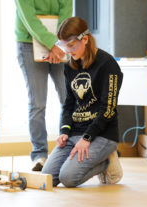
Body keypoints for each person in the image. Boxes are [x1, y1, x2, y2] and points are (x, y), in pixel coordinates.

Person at [42, 17, 123, 187]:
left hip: (101, 135)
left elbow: (108, 109)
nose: (68, 51)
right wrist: (64, 130)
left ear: (85, 39)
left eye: (71, 46)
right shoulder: (69, 66)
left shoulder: (108, 65)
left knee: (68, 178)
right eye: (64, 46)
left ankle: (106, 162)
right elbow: (68, 103)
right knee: (48, 176)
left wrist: (87, 137)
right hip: (75, 133)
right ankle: (94, 157)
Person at [15, 0, 73, 171]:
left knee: (68, 99)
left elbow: (66, 13)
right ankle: (39, 155)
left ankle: (70, 150)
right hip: (28, 44)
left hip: (61, 44)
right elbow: (29, 19)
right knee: (38, 103)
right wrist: (53, 44)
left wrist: (59, 44)